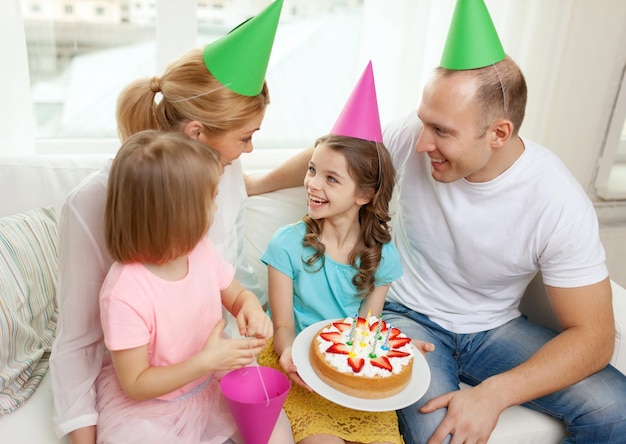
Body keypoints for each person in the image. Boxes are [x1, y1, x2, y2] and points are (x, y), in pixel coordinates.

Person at [246, 1, 626, 442]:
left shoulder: (557, 201)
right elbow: (340, 155)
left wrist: (495, 393)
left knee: (617, 411)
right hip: (404, 317)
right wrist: (256, 184)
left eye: (442, 131)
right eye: (423, 122)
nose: (422, 142)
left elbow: (596, 338)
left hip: (495, 329)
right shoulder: (413, 135)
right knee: (441, 437)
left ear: (498, 133)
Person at [49, 2, 293, 443]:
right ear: (197, 134)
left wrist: (249, 310)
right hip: (150, 392)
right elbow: (78, 344)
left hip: (208, 375)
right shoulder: (92, 205)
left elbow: (228, 284)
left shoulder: (228, 174)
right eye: (246, 138)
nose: (249, 151)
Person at [96, 129, 278, 443]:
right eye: (210, 200)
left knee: (273, 432)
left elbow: (237, 296)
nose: (217, 208)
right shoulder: (124, 292)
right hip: (153, 407)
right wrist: (204, 362)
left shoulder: (201, 251)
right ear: (177, 215)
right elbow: (136, 383)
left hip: (211, 383)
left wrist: (250, 308)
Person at [258, 63, 405, 444]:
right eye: (311, 170)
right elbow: (283, 326)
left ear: (364, 195)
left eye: (331, 178)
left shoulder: (381, 255)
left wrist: (397, 349)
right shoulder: (286, 245)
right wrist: (291, 355)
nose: (312, 184)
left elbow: (366, 331)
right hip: (294, 364)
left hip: (347, 370)